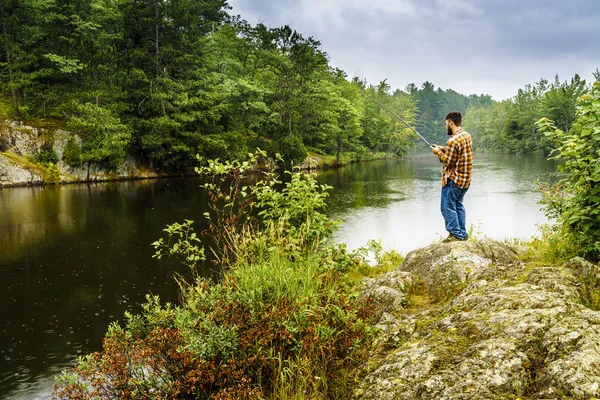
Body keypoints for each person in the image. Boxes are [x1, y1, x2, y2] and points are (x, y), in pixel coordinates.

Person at [431, 111, 473, 242]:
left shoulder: (452, 140)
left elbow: (448, 162)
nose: (446, 127)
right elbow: (456, 151)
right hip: (465, 181)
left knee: (447, 207)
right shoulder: (466, 136)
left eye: (446, 124)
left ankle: (455, 235)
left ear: (451, 123)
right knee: (458, 205)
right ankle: (463, 234)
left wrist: (438, 152)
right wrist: (442, 148)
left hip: (453, 181)